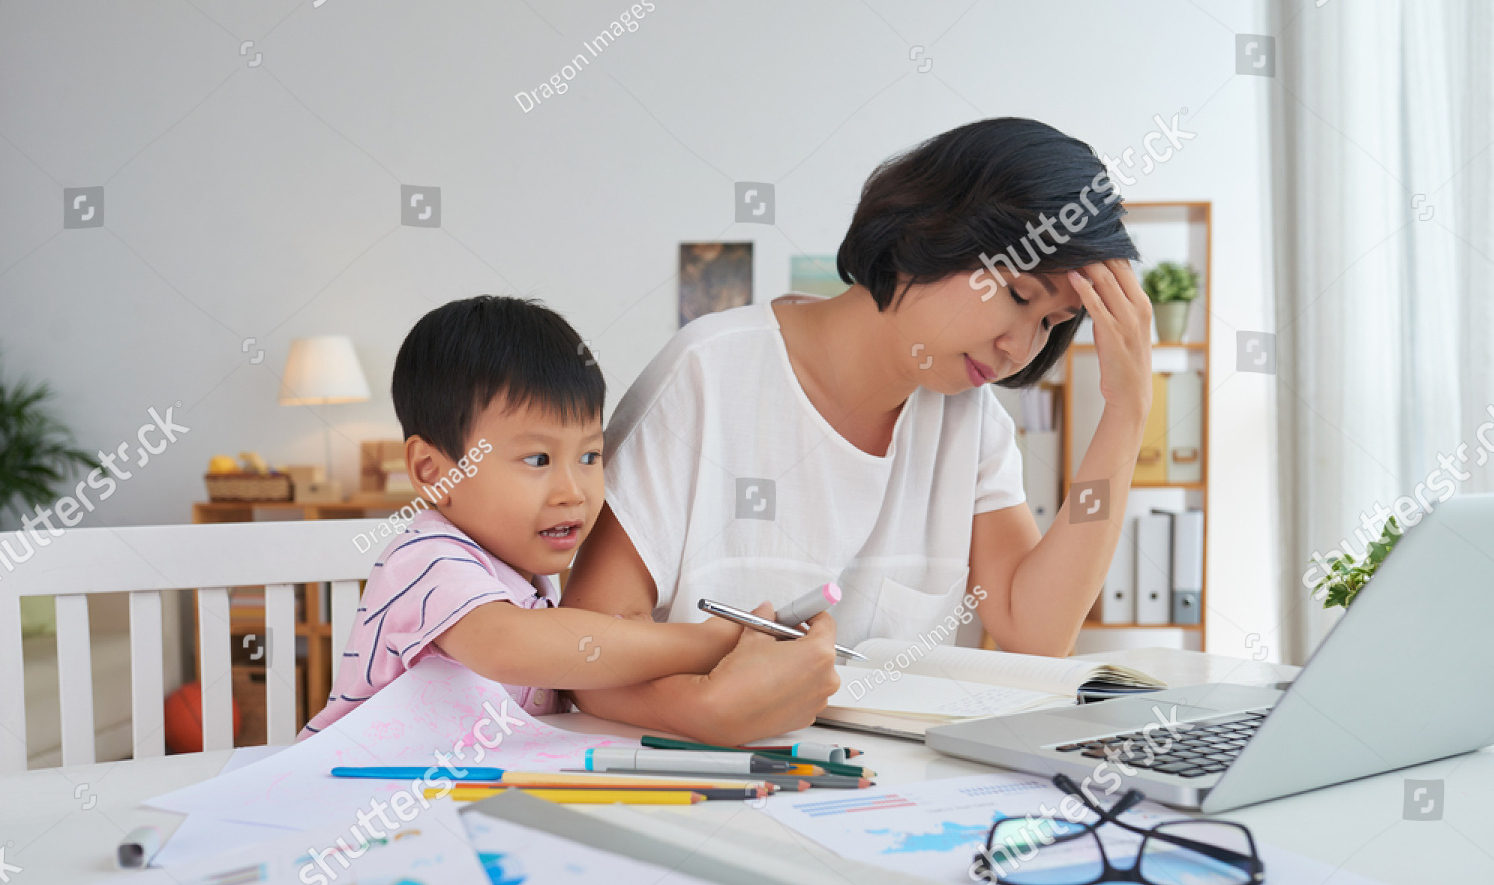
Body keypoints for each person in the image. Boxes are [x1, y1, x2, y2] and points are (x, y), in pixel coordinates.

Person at [563, 117, 1152, 742]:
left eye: (1054, 322)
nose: (1019, 346)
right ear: (929, 233)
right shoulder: (710, 372)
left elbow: (1035, 636)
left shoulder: (969, 420)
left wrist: (1125, 414)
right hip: (693, 785)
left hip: (876, 795)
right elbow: (583, 647)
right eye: (1016, 294)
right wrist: (700, 711)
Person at [299, 295, 765, 737]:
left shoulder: (528, 581)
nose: (573, 492)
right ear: (433, 471)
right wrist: (706, 644)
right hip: (347, 791)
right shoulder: (424, 560)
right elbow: (509, 644)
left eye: (589, 457)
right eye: (538, 460)